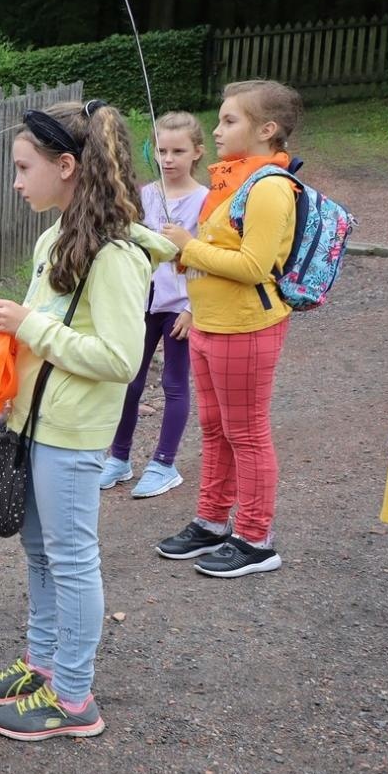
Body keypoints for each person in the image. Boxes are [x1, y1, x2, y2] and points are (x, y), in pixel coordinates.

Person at [0, 99, 176, 742]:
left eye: (23, 167)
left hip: (72, 433)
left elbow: (120, 358)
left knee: (71, 558)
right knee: (38, 550)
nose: (15, 180)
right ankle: (42, 663)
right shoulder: (54, 237)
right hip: (32, 423)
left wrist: (31, 326)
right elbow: (41, 336)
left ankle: (74, 698)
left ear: (66, 166)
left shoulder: (115, 255)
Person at [155, 80, 303, 577]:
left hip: (246, 326)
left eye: (229, 121)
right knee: (215, 428)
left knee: (247, 432)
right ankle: (212, 522)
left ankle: (257, 538)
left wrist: (187, 247)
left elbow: (254, 265)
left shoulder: (269, 187)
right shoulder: (231, 180)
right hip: (209, 322)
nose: (216, 130)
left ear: (266, 130)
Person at [101, 112, 208, 498]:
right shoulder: (145, 195)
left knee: (174, 384)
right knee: (129, 380)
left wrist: (193, 309)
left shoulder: (206, 201)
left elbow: (208, 257)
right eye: (162, 150)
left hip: (180, 306)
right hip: (141, 303)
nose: (168, 159)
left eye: (178, 151)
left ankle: (164, 463)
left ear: (197, 152)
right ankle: (119, 458)